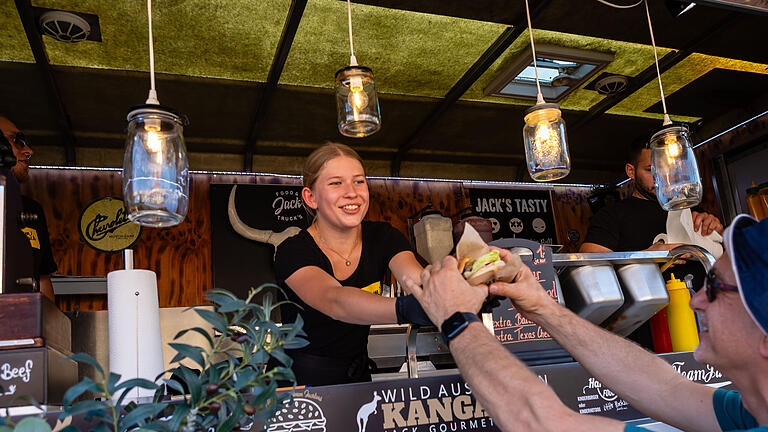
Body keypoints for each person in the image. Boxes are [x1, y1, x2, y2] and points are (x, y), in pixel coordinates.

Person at [405, 214, 767, 431]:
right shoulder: (754, 413)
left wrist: (456, 320)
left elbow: (541, 423)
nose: (697, 299)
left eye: (716, 287)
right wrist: (544, 307)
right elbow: (665, 388)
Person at [273, 143, 430, 386]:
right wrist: (407, 308)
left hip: (356, 377)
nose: (352, 192)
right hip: (298, 383)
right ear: (310, 197)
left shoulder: (383, 237)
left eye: (359, 181)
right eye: (336, 183)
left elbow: (418, 281)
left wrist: (461, 285)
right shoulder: (293, 251)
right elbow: (335, 301)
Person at [580, 137, 724, 348]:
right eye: (650, 170)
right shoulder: (613, 215)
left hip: (707, 329)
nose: (661, 177)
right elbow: (589, 261)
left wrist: (714, 228)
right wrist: (647, 255)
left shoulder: (690, 211)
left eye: (666, 168)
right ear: (631, 171)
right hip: (646, 335)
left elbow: (726, 260)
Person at [0, 116, 57, 301]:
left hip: (20, 324)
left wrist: (49, 328)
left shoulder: (32, 210)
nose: (28, 151)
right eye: (15, 141)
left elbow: (42, 279)